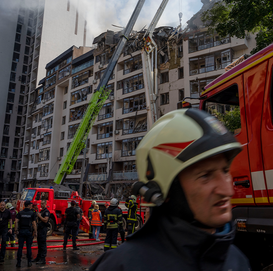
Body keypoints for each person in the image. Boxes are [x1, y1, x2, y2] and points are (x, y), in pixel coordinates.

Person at [90, 109, 251, 270]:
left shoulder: (237, 261)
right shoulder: (121, 266)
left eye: (225, 171)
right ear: (165, 191)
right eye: (205, 176)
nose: (227, 190)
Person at [15, 200, 36, 268]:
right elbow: (34, 223)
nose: (31, 205)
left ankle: (18, 262)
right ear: (28, 205)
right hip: (28, 231)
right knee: (29, 247)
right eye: (30, 204)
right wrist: (35, 231)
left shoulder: (20, 213)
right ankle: (29, 262)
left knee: (20, 247)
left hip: (21, 231)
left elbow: (16, 221)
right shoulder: (32, 213)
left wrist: (16, 230)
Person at [33, 200, 49, 264]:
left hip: (43, 229)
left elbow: (45, 220)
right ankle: (38, 257)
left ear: (45, 204)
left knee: (42, 244)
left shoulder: (46, 211)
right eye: (41, 204)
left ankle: (43, 259)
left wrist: (39, 216)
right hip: (39, 229)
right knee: (39, 244)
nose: (41, 205)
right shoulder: (41, 211)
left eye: (42, 203)